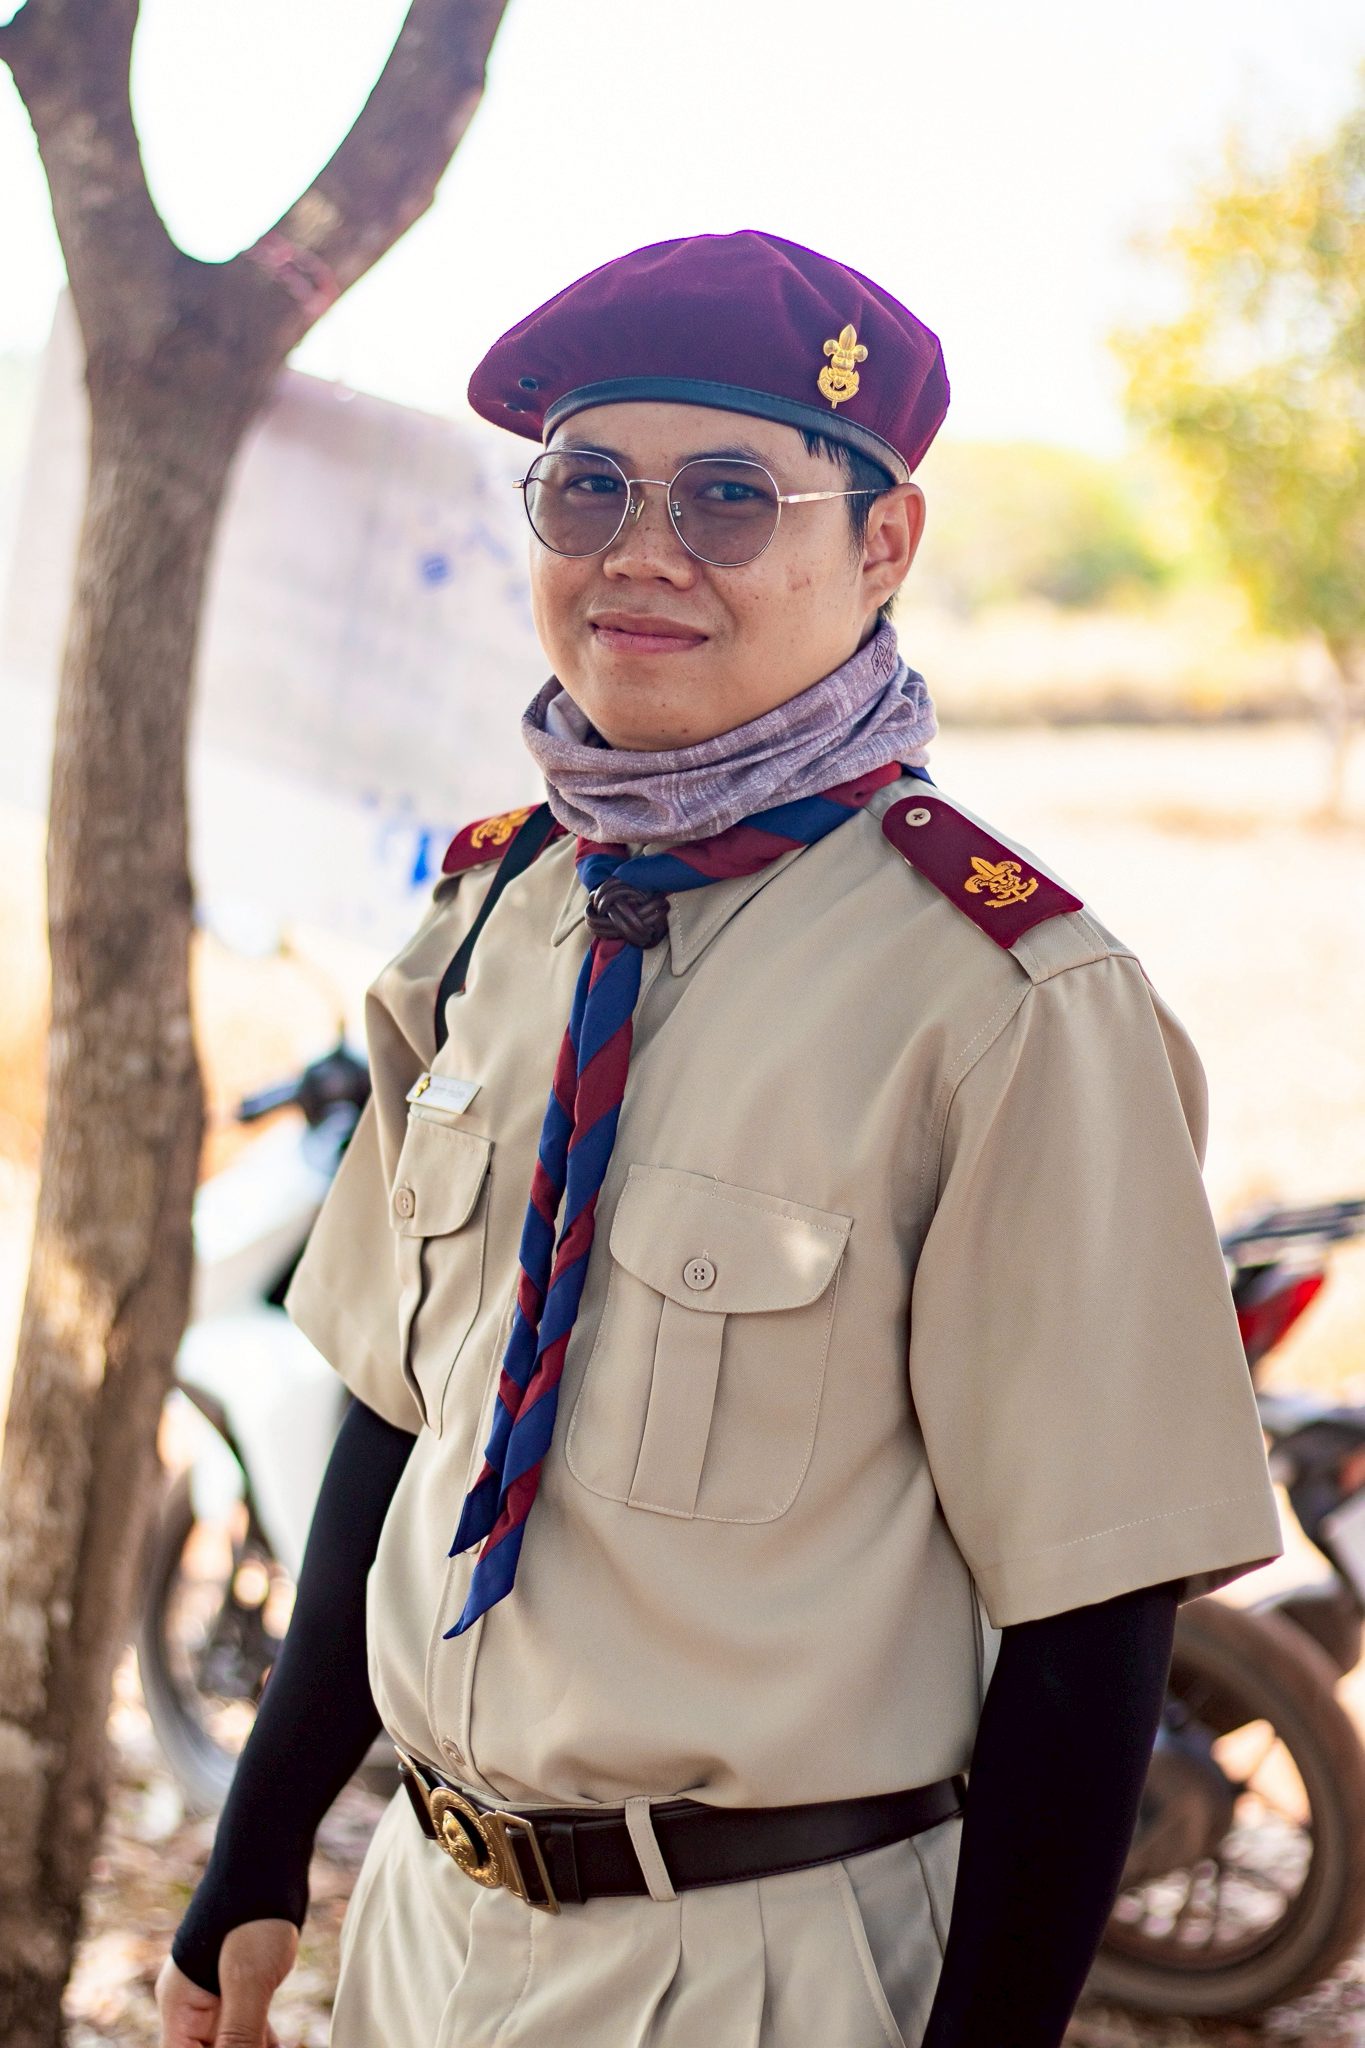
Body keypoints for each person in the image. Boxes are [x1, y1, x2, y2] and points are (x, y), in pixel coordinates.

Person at [157, 230, 1280, 2048]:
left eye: (732, 499)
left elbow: (1092, 1624)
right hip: (425, 1928)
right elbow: (399, 1416)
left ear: (885, 543)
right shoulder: (491, 917)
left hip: (765, 1962)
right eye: (587, 488)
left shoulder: (1005, 1002)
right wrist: (257, 1853)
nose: (641, 553)